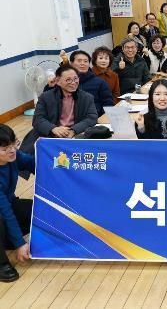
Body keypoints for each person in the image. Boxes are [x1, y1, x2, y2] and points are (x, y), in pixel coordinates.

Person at [0, 124, 34, 282]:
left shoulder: (13, 155)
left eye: (14, 144)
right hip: (2, 211)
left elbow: (33, 163)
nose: (12, 150)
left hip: (8, 202)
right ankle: (2, 264)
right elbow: (6, 212)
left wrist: (57, 164)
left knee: (36, 210)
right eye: (5, 148)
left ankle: (7, 240)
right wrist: (20, 243)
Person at [32, 65, 98, 140]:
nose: (73, 83)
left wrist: (74, 130)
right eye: (68, 80)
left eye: (76, 79)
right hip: (51, 134)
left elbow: (92, 118)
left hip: (77, 133)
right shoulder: (46, 97)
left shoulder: (87, 97)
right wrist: (53, 128)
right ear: (58, 81)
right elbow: (37, 119)